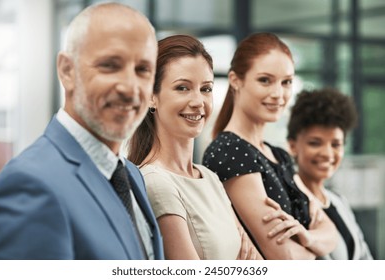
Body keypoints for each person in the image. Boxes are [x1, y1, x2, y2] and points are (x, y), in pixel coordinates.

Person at [0, 2, 163, 260]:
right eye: (110, 65)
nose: (130, 88)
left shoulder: (131, 175)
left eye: (143, 70)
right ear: (67, 70)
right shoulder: (31, 183)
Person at [202, 32, 338, 259]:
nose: (278, 94)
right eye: (265, 80)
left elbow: (331, 232)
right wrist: (316, 246)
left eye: (286, 82)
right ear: (236, 80)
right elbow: (283, 257)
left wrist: (307, 237)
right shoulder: (230, 151)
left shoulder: (278, 155)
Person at [128, 34, 262, 260]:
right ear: (152, 96)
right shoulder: (156, 182)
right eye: (182, 88)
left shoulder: (210, 178)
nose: (198, 101)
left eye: (206, 89)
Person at [287, 88, 373, 260]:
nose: (327, 153)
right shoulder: (291, 204)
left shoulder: (339, 201)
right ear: (293, 146)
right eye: (315, 143)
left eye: (336, 144)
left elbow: (364, 257)